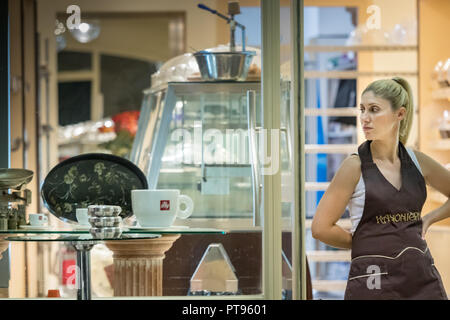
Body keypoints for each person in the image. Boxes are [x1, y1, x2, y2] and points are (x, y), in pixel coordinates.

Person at [311, 77, 449, 300]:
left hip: (420, 278)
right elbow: (320, 227)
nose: (364, 118)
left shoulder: (418, 161)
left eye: (374, 110)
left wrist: (430, 218)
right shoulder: (354, 167)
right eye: (362, 109)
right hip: (372, 282)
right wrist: (363, 241)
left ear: (400, 114)